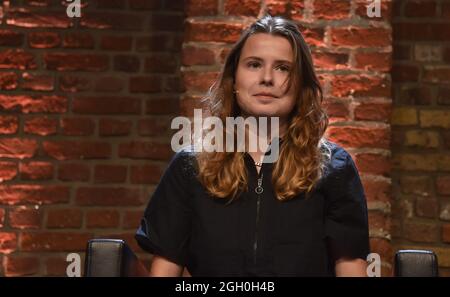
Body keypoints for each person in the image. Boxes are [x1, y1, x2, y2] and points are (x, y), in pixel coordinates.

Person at [135, 14, 370, 277]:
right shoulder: (191, 166)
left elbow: (350, 267)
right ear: (234, 79)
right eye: (254, 64)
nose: (267, 78)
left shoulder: (334, 167)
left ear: (301, 85)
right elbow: (166, 268)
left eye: (283, 68)